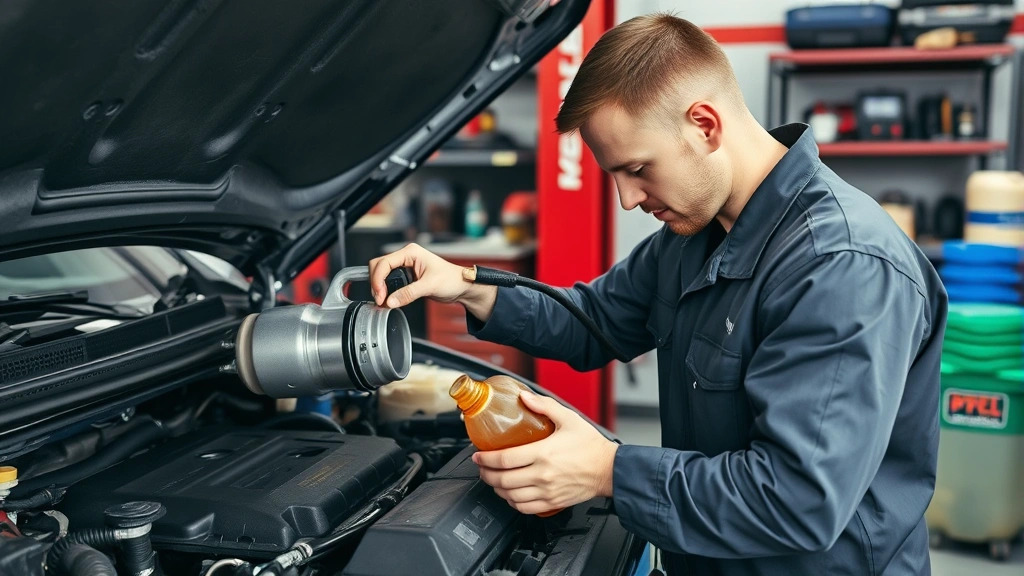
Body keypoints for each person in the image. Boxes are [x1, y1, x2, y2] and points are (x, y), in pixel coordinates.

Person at [369, 13, 947, 576]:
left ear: (705, 124)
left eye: (638, 169)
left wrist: (610, 471)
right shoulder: (693, 236)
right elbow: (592, 320)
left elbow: (798, 500)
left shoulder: (841, 267)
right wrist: (465, 287)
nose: (626, 199)